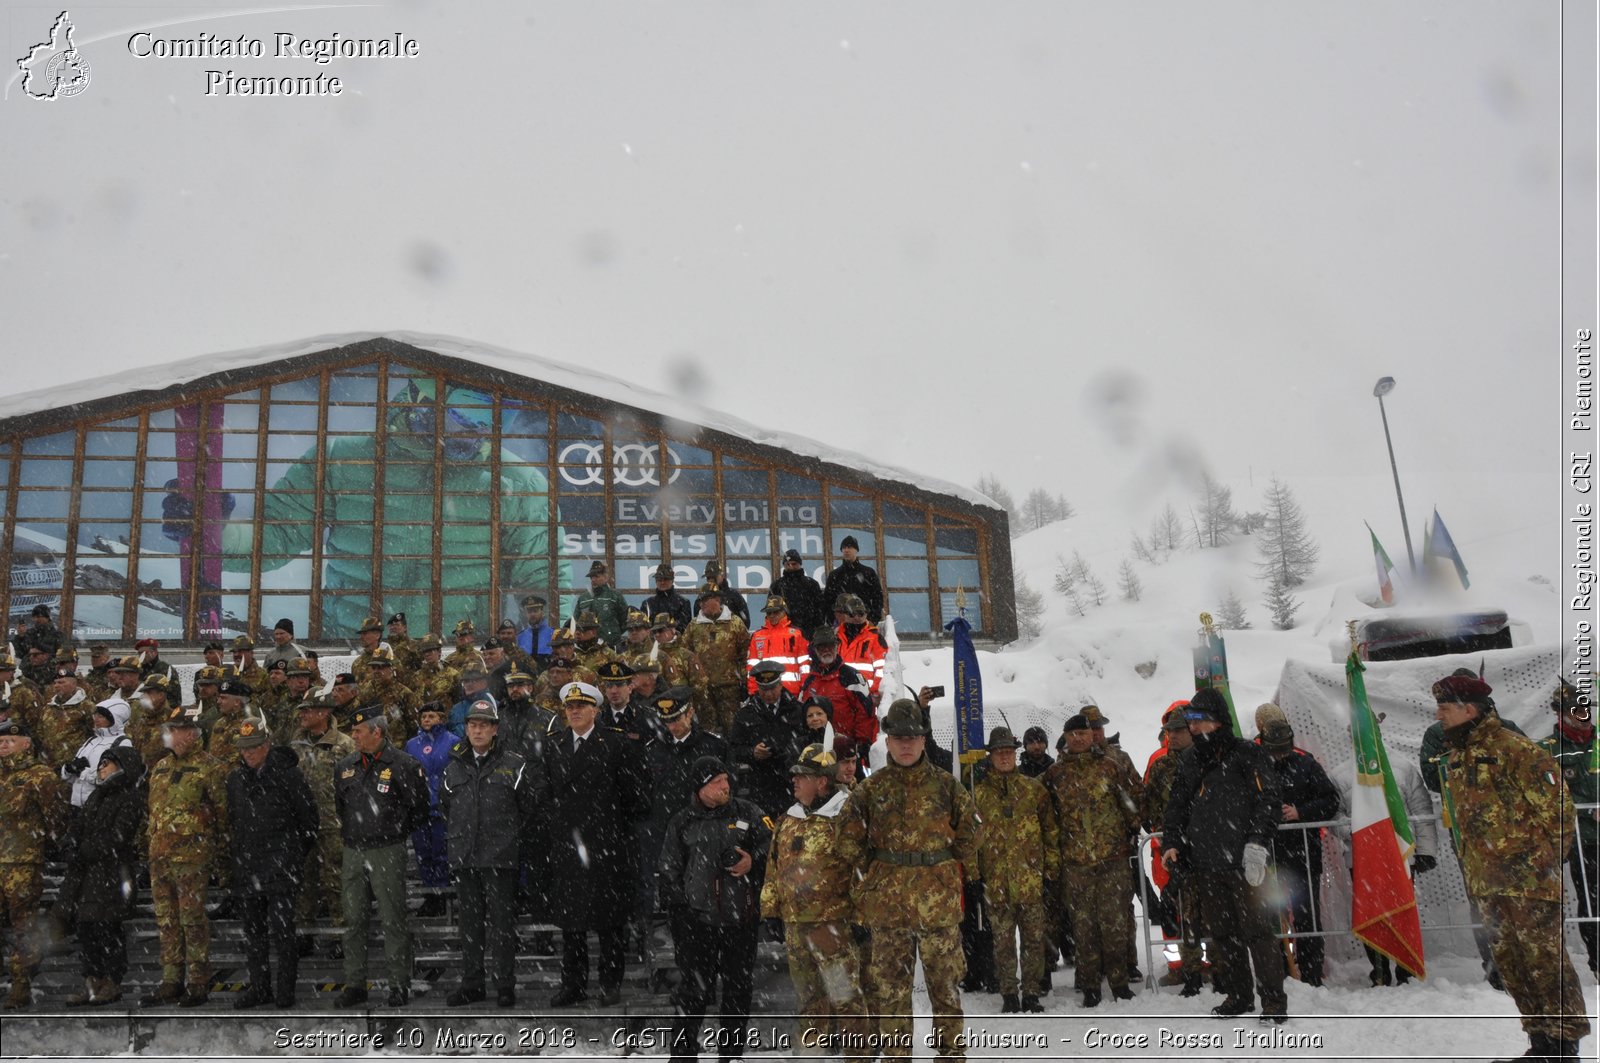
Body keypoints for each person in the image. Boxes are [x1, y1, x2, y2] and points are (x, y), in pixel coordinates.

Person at [1432, 672, 1590, 1061]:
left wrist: (1540, 866)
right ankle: (1540, 1044)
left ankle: (1564, 1048)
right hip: (1488, 885)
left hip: (1529, 882)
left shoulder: (1516, 749)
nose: (1439, 715)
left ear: (1469, 709)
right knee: (1514, 967)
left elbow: (1560, 814)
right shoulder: (1458, 755)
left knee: (1545, 964)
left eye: (1445, 707)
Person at [835, 699, 980, 1061]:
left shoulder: (947, 786)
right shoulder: (870, 790)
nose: (905, 744)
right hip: (889, 910)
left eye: (912, 737)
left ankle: (950, 1054)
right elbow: (847, 838)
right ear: (887, 741)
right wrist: (878, 869)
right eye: (898, 737)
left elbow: (973, 831)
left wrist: (941, 863)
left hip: (938, 908)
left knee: (945, 989)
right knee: (892, 993)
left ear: (923, 739)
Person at [1161, 688, 1286, 1023]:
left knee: (1258, 933)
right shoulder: (1189, 761)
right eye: (1191, 720)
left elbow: (1268, 800)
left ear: (1218, 720)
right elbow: (1175, 808)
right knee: (1223, 935)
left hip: (1246, 862)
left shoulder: (1247, 754)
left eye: (1199, 720)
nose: (1193, 727)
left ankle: (1273, 1001)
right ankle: (1239, 995)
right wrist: (1171, 841)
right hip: (1206, 863)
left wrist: (1258, 842)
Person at [538, 681, 650, 1007]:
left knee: (609, 922)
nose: (574, 711)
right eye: (570, 707)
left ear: (595, 711)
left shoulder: (615, 745)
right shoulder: (554, 744)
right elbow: (544, 793)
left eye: (581, 706)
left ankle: (609, 984)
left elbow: (635, 796)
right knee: (572, 924)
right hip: (569, 847)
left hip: (606, 846)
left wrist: (612, 832)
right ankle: (573, 984)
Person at [658, 755, 772, 1063]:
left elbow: (774, 846)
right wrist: (680, 915)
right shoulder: (682, 821)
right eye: (717, 782)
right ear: (700, 788)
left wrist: (753, 860)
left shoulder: (749, 812)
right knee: (692, 993)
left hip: (740, 921)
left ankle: (730, 1054)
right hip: (696, 922)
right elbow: (668, 870)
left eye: (726, 779)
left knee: (737, 992)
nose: (725, 786)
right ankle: (683, 1054)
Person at [760, 743, 870, 1059]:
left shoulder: (845, 817)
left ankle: (858, 1056)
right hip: (797, 930)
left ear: (821, 781)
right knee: (809, 1001)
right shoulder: (787, 819)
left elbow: (862, 870)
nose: (794, 780)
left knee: (845, 999)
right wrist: (771, 911)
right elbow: (773, 867)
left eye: (802, 775)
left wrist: (862, 919)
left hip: (832, 930)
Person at [441, 700, 537, 1008]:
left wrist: (505, 838)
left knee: (502, 927)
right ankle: (473, 984)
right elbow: (447, 808)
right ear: (466, 729)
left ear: (495, 729)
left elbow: (528, 809)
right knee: (469, 927)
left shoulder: (514, 763)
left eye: (484, 725)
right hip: (465, 858)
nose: (478, 730)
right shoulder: (454, 765)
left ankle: (504, 985)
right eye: (473, 725)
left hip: (500, 857)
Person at [333, 707, 431, 1008]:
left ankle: (398, 984)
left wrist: (393, 830)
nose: (354, 735)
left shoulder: (403, 764)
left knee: (393, 919)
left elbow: (419, 808)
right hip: (353, 850)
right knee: (353, 920)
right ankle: (354, 983)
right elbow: (341, 807)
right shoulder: (345, 766)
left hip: (387, 849)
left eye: (359, 731)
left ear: (377, 732)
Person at [1040, 714, 1140, 1007]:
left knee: (1115, 925)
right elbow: (1041, 808)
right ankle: (1090, 986)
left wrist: (1130, 832)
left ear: (1092, 735)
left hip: (1113, 861)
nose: (1079, 739)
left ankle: (1119, 983)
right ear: (1066, 738)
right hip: (1076, 864)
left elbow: (1131, 803)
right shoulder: (1055, 774)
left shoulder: (1111, 767)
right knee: (1084, 929)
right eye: (1072, 735)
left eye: (1083, 733)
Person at [226, 719, 318, 1009]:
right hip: (249, 868)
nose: (248, 754)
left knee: (283, 934)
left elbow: (308, 821)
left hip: (280, 867)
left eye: (253, 748)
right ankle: (260, 987)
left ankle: (284, 991)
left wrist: (290, 856)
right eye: (244, 749)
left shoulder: (289, 775)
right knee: (254, 936)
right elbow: (234, 821)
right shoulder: (236, 780)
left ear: (266, 746)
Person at [143, 705, 229, 1007]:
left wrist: (220, 857)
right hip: (161, 856)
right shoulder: (161, 767)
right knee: (166, 920)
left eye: (175, 729)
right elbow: (153, 812)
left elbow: (221, 814)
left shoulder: (211, 767)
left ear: (190, 733)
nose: (168, 734)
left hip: (192, 856)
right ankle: (170, 979)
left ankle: (197, 980)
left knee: (192, 920)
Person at [974, 726, 1056, 1014]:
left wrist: (1051, 870)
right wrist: (975, 875)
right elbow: (971, 839)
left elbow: (1050, 831)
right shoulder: (979, 794)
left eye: (1009, 752)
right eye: (999, 753)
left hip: (1031, 880)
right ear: (991, 756)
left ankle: (1032, 992)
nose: (1005, 757)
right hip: (996, 882)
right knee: (1003, 943)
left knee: (1034, 940)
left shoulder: (1033, 790)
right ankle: (1009, 993)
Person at [56, 744, 144, 1007]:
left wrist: (84, 849)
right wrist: (70, 842)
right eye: (101, 763)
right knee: (87, 931)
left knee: (108, 930)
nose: (101, 767)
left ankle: (111, 982)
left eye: (107, 762)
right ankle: (92, 982)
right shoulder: (97, 796)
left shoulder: (128, 797)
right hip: (88, 877)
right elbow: (80, 825)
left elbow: (118, 837)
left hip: (111, 875)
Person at [1257, 715, 1338, 987]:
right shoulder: (1256, 768)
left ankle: (1312, 975)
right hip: (1270, 857)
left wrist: (1300, 812)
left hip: (1303, 855)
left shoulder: (1306, 764)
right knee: (1272, 919)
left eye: (1284, 748)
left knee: (1308, 919)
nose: (1280, 754)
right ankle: (1278, 972)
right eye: (1275, 748)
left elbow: (1330, 800)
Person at [642, 689, 729, 942]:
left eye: (677, 718)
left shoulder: (713, 746)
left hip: (706, 830)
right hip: (668, 831)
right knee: (674, 893)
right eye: (667, 721)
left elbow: (726, 789)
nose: (672, 726)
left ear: (690, 713)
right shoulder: (653, 748)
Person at [0, 720, 68, 1010]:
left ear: (26, 743)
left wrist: (48, 843)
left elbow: (55, 815)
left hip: (22, 862)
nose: (3, 745)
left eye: (9, 740)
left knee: (23, 926)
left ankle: (20, 986)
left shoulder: (40, 776)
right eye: (0, 740)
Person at [1140, 708, 1205, 994]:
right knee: (1183, 911)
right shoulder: (1161, 766)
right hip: (1175, 850)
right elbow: (1148, 803)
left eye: (1179, 731)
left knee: (1215, 913)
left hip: (1207, 847)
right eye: (1171, 732)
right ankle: (1190, 973)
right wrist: (1163, 829)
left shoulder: (1206, 760)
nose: (1174, 736)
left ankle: (1220, 967)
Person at [1539, 677, 1599, 975]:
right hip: (1581, 841)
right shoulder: (1546, 752)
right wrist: (1587, 813)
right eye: (1577, 710)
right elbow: (1546, 797)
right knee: (1592, 902)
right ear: (1560, 713)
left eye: (1587, 709)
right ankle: (1598, 961)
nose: (1584, 716)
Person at [289, 697, 355, 952]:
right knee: (304, 880)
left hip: (334, 824)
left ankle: (341, 934)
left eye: (307, 710)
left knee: (336, 880)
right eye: (301, 709)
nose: (302, 715)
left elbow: (355, 786)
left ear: (324, 712)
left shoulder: (344, 745)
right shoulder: (296, 743)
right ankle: (304, 932)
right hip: (303, 823)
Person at [727, 661, 809, 818]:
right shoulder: (746, 714)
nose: (768, 694)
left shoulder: (797, 710)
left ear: (780, 685)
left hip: (791, 783)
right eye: (763, 690)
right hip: (760, 785)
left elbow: (807, 743)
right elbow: (733, 749)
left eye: (772, 689)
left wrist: (790, 751)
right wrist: (752, 752)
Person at [404, 703, 457, 919]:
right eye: (423, 716)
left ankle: (442, 894)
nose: (427, 720)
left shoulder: (453, 742)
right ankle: (429, 895)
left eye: (431, 716)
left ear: (441, 719)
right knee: (423, 854)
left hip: (442, 807)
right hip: (420, 807)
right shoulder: (411, 744)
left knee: (441, 853)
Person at [797, 628, 875, 760]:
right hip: (817, 752)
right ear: (815, 650)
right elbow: (802, 715)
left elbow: (866, 713)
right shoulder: (810, 681)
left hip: (845, 752)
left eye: (830, 646)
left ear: (837, 647)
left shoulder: (851, 676)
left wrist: (861, 743)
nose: (826, 650)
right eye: (822, 647)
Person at [683, 584, 750, 737]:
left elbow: (746, 652)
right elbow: (685, 655)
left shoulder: (735, 623)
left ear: (720, 600)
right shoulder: (693, 626)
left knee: (732, 728)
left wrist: (744, 679)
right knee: (707, 731)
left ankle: (733, 759)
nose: (712, 602)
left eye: (715, 598)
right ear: (701, 603)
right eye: (707, 599)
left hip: (729, 687)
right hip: (703, 690)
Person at [61, 698, 131, 809]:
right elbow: (71, 777)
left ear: (115, 720)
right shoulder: (91, 740)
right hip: (77, 806)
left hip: (99, 808)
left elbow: (114, 779)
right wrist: (69, 769)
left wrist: (82, 772)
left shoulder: (122, 743)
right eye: (96, 715)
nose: (96, 719)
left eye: (101, 716)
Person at [745, 596, 810, 696]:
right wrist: (753, 691)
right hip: (765, 691)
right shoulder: (757, 636)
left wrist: (804, 689)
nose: (772, 615)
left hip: (792, 692)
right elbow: (752, 668)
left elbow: (805, 666)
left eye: (776, 612)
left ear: (784, 612)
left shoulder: (797, 634)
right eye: (769, 612)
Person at [834, 596, 887, 707]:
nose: (857, 617)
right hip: (840, 693)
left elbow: (881, 668)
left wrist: (874, 691)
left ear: (866, 615)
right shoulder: (835, 636)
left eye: (861, 614)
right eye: (852, 614)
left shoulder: (875, 638)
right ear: (845, 615)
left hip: (866, 695)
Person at [823, 537, 883, 624]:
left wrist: (873, 619)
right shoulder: (834, 575)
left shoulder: (868, 573)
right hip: (841, 623)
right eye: (844, 548)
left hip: (864, 621)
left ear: (856, 550)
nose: (846, 550)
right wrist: (832, 620)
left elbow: (878, 598)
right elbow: (828, 600)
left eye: (850, 547)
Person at [771, 549, 826, 638]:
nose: (791, 567)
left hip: (809, 632)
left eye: (794, 564)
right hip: (783, 633)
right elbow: (771, 610)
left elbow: (820, 609)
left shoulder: (811, 584)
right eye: (788, 564)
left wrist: (817, 629)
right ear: (784, 565)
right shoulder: (777, 586)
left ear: (799, 564)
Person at [576, 560, 632, 648]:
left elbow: (626, 620)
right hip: (587, 648)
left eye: (597, 576)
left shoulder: (615, 596)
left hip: (612, 646)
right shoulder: (583, 598)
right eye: (591, 577)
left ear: (606, 577)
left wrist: (612, 634)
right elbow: (576, 621)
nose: (593, 580)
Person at [639, 562, 693, 635]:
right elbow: (643, 628)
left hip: (676, 643)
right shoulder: (647, 603)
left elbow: (684, 627)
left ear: (672, 580)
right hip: (652, 644)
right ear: (656, 581)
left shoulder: (683, 603)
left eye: (665, 579)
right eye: (659, 579)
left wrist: (669, 634)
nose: (662, 582)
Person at [702, 561, 750, 630]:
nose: (711, 580)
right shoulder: (702, 597)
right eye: (708, 577)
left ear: (722, 576)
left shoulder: (734, 596)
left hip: (731, 638)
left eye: (713, 576)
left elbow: (745, 622)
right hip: (707, 639)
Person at [516, 596, 556, 672]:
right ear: (526, 614)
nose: (532, 614)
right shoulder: (520, 636)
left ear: (542, 612)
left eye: (535, 611)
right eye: (529, 612)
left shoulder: (553, 634)